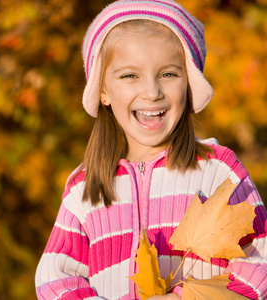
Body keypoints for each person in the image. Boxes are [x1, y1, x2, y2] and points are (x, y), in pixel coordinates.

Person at [35, 0, 267, 299]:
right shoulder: (85, 189)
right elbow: (56, 278)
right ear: (103, 91)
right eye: (130, 76)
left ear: (188, 84)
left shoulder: (217, 170)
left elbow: (261, 259)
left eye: (168, 74)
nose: (152, 92)